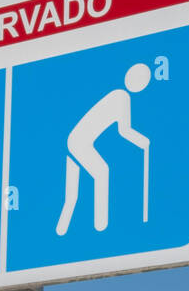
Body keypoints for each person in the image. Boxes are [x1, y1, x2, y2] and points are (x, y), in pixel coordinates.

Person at [56, 63, 152, 236]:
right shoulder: (122, 98)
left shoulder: (116, 95)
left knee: (71, 197)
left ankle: (60, 231)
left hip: (73, 141)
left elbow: (121, 131)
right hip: (79, 143)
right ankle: (101, 228)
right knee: (101, 171)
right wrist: (143, 142)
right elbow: (124, 131)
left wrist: (142, 142)